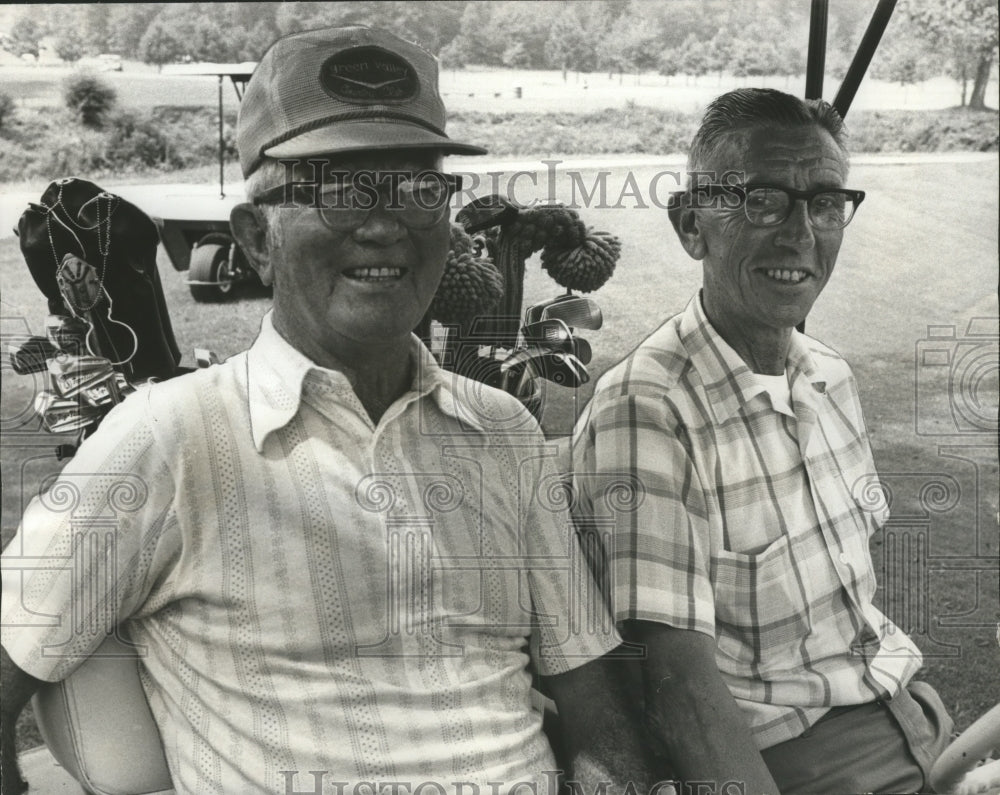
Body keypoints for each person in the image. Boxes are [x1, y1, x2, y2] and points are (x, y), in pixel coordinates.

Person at [1, 26, 656, 794]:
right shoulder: (170, 436)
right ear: (256, 239)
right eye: (340, 189)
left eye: (418, 187)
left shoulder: (502, 430)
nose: (386, 225)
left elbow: (587, 688)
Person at [568, 88, 953, 794]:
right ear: (692, 225)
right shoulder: (649, 411)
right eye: (761, 200)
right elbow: (681, 695)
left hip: (914, 718)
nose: (799, 232)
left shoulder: (829, 376)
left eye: (826, 202)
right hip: (803, 766)